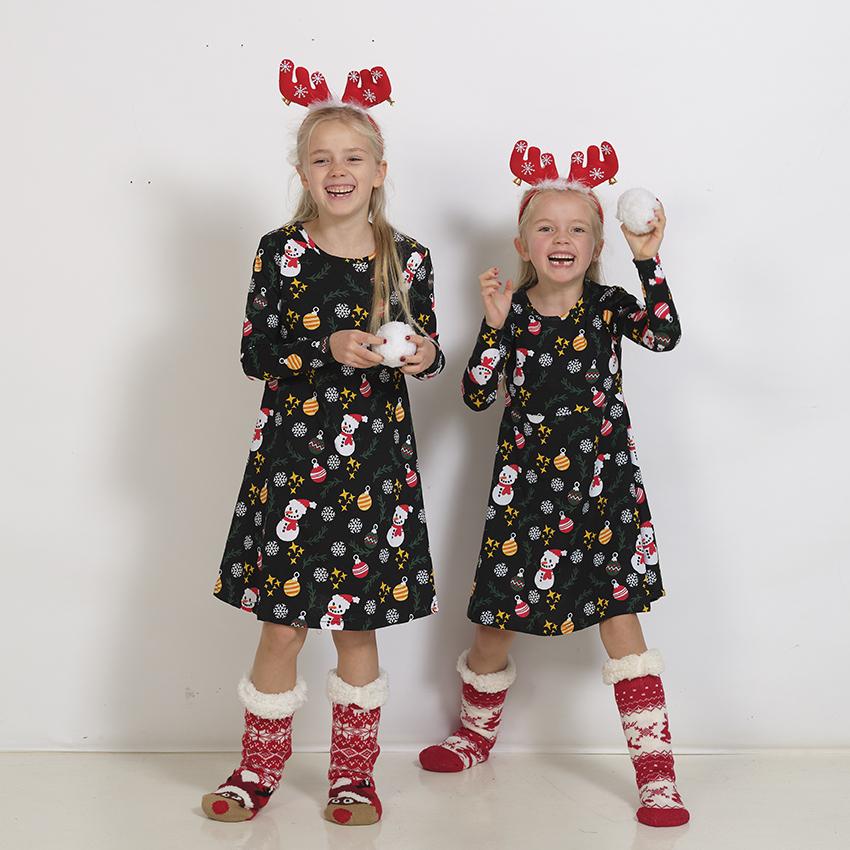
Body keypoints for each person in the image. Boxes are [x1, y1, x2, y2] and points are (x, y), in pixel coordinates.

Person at [419, 140, 689, 828]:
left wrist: (648, 258)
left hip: (604, 498)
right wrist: (492, 327)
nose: (560, 238)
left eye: (576, 228)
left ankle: (656, 776)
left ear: (596, 244)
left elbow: (663, 336)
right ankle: (476, 735)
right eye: (546, 227)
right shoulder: (512, 313)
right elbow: (477, 395)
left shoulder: (608, 305)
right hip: (527, 500)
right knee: (495, 626)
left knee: (623, 625)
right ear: (523, 242)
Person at [203, 61, 444, 825]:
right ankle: (256, 771)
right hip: (294, 464)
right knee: (283, 625)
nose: (338, 171)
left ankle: (352, 779)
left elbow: (434, 354)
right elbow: (254, 354)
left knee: (357, 628)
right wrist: (324, 345)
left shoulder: (407, 258)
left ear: (379, 171)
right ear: (302, 169)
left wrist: (422, 355)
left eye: (353, 157)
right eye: (321, 157)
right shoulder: (279, 251)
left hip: (373, 469)